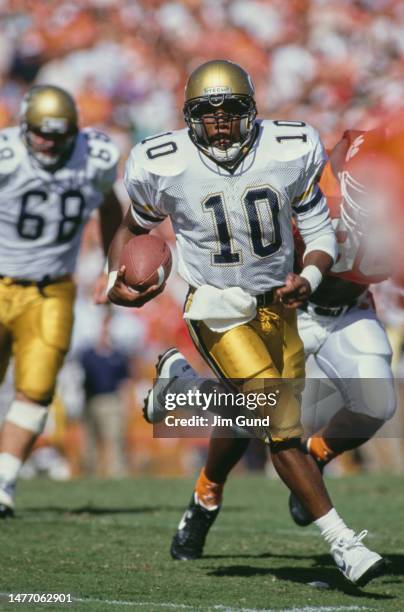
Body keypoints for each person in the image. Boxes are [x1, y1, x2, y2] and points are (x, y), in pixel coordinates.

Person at [108, 59, 384, 586]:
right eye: (207, 113)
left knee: (257, 417)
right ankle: (344, 543)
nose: (219, 122)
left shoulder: (290, 148)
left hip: (277, 303)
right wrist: (116, 282)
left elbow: (320, 232)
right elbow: (132, 228)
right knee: (281, 425)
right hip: (215, 304)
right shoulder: (160, 161)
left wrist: (309, 273)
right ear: (190, 118)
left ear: (250, 111)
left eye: (230, 111)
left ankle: (184, 398)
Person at [145, 127, 399, 558]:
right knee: (252, 415)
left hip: (349, 310)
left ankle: (315, 457)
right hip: (286, 309)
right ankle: (207, 493)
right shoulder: (310, 189)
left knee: (377, 404)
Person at [0, 84, 123, 517]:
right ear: (25, 128)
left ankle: (3, 485)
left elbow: (110, 207)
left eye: (59, 134)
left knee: (36, 389)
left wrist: (112, 264)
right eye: (42, 134)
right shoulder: (7, 155)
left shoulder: (95, 156)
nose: (50, 143)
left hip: (52, 288)